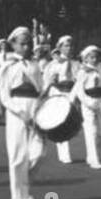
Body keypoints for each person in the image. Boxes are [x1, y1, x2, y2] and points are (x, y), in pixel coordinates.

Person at [0, 26, 44, 199]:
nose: (26, 47)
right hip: (16, 111)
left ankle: (24, 186)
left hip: (34, 109)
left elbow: (40, 89)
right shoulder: (8, 65)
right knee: (18, 156)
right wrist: (19, 111)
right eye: (22, 44)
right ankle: (21, 196)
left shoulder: (34, 65)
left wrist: (40, 110)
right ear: (13, 45)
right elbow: (4, 95)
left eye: (29, 43)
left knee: (39, 153)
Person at [43, 35, 79, 164]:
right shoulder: (54, 64)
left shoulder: (75, 64)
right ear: (60, 47)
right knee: (61, 121)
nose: (69, 48)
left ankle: (64, 150)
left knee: (68, 122)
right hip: (58, 92)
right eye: (66, 46)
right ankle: (64, 153)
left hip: (71, 93)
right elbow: (48, 80)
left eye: (70, 46)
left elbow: (78, 81)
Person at [73, 45, 101, 170]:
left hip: (99, 102)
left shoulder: (100, 69)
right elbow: (79, 90)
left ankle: (94, 156)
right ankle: (94, 160)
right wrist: (88, 102)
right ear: (86, 58)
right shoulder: (83, 71)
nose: (94, 59)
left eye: (96, 57)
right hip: (88, 102)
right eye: (91, 57)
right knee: (91, 131)